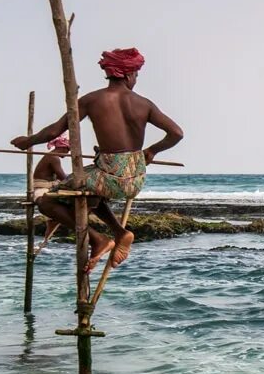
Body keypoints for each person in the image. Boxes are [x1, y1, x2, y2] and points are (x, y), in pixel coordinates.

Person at [11, 48, 184, 272]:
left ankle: (98, 239)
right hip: (135, 179)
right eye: (136, 75)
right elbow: (177, 133)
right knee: (91, 191)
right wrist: (151, 151)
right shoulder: (145, 103)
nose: (136, 80)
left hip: (108, 177)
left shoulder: (92, 100)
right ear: (128, 74)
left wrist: (29, 141)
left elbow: (54, 130)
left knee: (45, 201)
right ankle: (120, 232)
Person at [31, 134, 71, 250]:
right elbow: (63, 178)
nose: (67, 153)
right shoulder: (54, 157)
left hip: (49, 187)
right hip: (41, 188)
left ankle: (46, 238)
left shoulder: (52, 157)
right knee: (51, 206)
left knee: (58, 214)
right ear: (63, 148)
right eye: (68, 150)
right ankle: (47, 237)